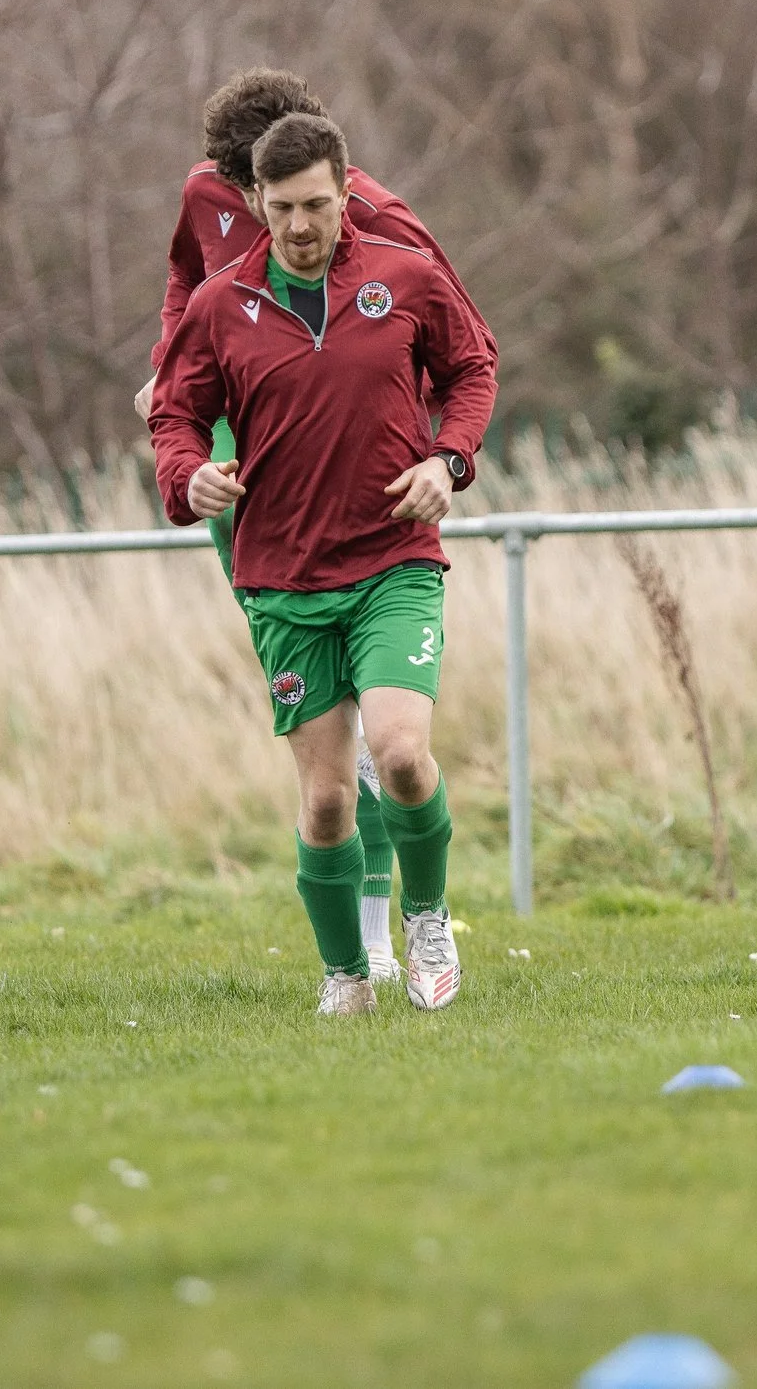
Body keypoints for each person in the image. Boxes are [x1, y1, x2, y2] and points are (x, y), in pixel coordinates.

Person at [149, 112, 497, 1013]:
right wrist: (188, 477)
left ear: (347, 195)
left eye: (318, 204)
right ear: (256, 203)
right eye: (284, 207)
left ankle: (427, 920)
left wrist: (447, 460)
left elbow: (472, 370)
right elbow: (175, 416)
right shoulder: (221, 307)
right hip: (284, 581)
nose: (302, 225)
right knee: (329, 803)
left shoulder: (405, 279)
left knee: (404, 755)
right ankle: (345, 975)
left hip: (392, 562)